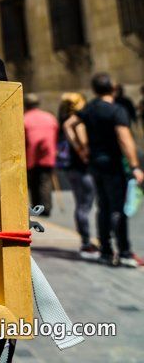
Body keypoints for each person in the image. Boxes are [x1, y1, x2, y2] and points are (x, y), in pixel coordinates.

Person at [64, 73, 144, 267]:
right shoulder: (116, 110)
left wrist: (81, 149)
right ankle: (124, 252)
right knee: (118, 208)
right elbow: (124, 138)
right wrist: (135, 166)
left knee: (103, 207)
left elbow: (68, 124)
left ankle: (106, 251)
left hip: (95, 164)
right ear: (113, 88)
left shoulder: (89, 108)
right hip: (114, 165)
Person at [58, 92, 98, 259]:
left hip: (71, 169)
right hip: (83, 169)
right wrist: (84, 151)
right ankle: (87, 242)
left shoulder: (64, 118)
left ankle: (85, 240)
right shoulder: (78, 122)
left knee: (80, 204)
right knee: (85, 205)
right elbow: (82, 139)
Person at [23, 93, 58, 216]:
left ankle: (37, 206)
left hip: (31, 155)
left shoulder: (24, 119)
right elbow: (55, 136)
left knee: (33, 181)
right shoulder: (50, 117)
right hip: (48, 153)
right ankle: (46, 207)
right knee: (45, 181)